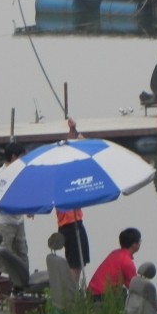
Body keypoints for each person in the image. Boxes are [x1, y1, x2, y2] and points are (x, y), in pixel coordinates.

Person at [0, 142, 29, 302]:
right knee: (2, 255)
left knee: (22, 254)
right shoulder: (0, 175)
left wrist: (28, 207)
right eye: (21, 157)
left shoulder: (19, 172)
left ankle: (19, 288)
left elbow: (23, 194)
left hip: (19, 220)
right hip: (5, 221)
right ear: (13, 157)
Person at [59, 118, 90, 284]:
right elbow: (69, 152)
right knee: (75, 263)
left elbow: (71, 148)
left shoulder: (70, 170)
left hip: (76, 221)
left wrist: (73, 129)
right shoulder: (63, 173)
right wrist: (77, 139)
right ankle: (72, 294)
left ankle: (74, 291)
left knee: (80, 261)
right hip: (69, 224)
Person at [87, 227, 142, 300]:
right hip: (102, 295)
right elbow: (134, 286)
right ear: (134, 244)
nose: (140, 243)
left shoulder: (115, 253)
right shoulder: (127, 261)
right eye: (139, 241)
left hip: (91, 293)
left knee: (122, 291)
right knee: (124, 294)